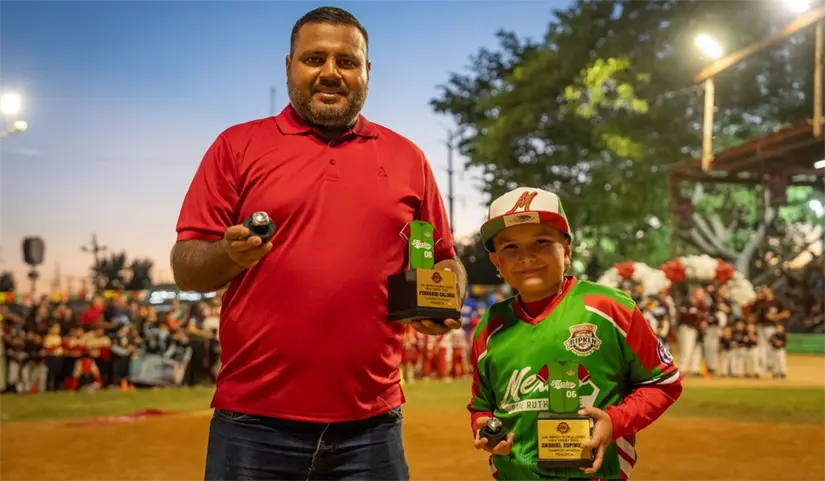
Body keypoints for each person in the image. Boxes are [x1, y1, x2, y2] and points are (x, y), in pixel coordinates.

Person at [169, 6, 465, 480]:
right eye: (314, 59)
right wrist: (228, 254)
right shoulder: (237, 146)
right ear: (289, 66)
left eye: (347, 61)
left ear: (367, 71)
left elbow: (445, 259)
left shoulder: (408, 158)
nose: (331, 72)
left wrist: (443, 299)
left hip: (371, 423)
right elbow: (186, 268)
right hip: (253, 421)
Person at [467, 187, 683, 480]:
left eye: (541, 242)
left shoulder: (609, 308)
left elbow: (664, 382)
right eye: (510, 247)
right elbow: (482, 406)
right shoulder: (490, 325)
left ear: (566, 250)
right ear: (497, 262)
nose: (526, 257)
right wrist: (486, 427)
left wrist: (615, 421)